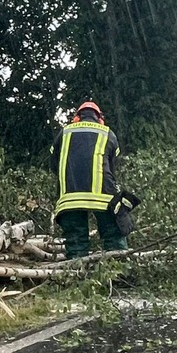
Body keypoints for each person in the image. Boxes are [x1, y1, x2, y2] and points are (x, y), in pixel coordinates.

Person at [51, 101, 128, 259]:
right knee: (114, 236)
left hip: (70, 198)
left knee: (76, 241)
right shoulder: (108, 133)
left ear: (76, 118)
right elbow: (113, 168)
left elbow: (54, 164)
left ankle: (77, 274)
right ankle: (120, 274)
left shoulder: (64, 132)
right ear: (100, 119)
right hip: (104, 197)